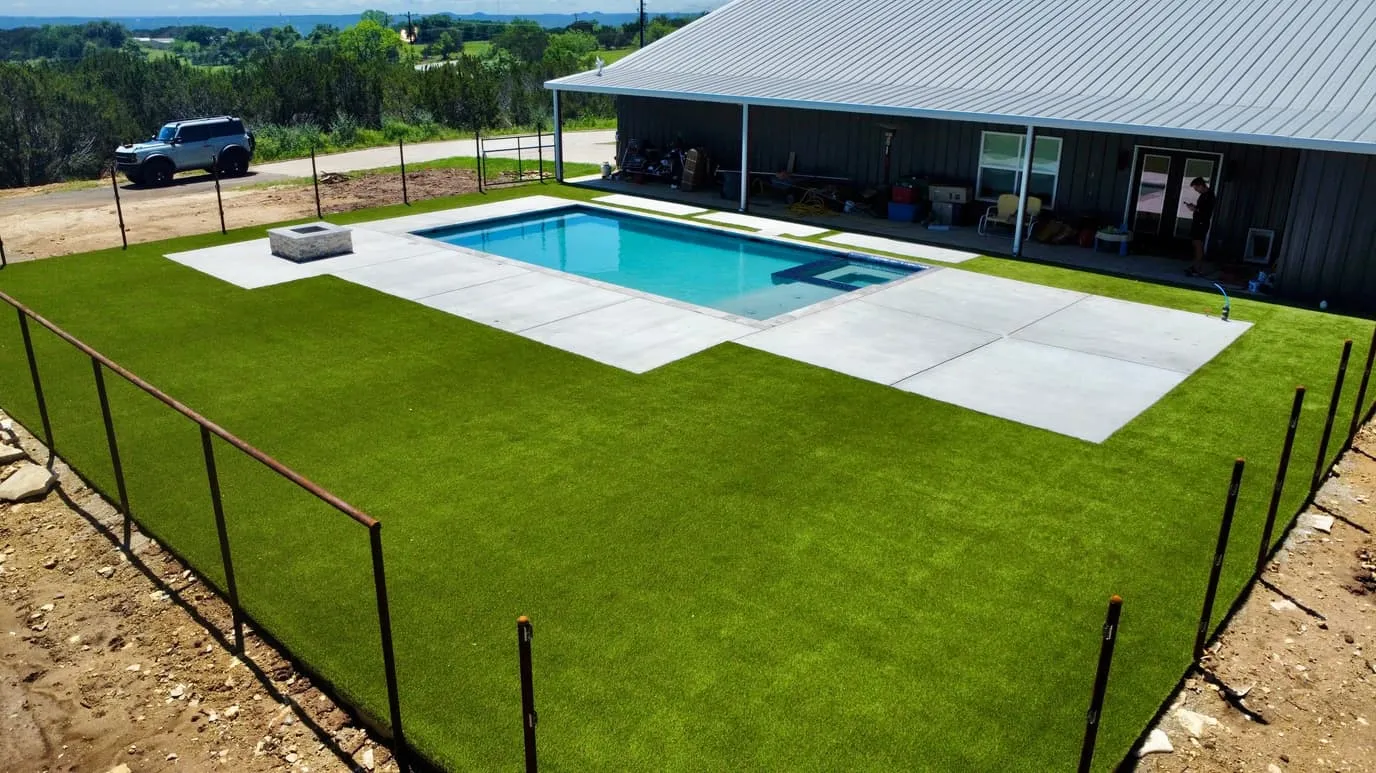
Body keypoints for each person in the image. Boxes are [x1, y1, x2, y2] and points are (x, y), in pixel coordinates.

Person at [1184, 177, 1216, 276]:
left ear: (1201, 185)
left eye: (1196, 188)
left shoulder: (1209, 196)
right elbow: (1201, 208)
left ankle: (1198, 269)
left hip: (1202, 223)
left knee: (1198, 245)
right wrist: (1195, 208)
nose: (1196, 190)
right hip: (1197, 222)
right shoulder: (1203, 195)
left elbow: (1206, 211)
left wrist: (1195, 209)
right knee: (1195, 243)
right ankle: (1195, 266)